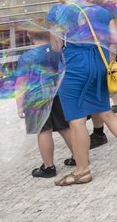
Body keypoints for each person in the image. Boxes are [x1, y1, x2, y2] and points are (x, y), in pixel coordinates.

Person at [46, 0, 117, 186]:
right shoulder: (100, 11)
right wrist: (109, 63)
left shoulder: (58, 11)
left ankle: (82, 171)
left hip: (75, 64)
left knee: (76, 119)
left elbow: (55, 47)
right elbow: (114, 40)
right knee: (106, 111)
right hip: (99, 62)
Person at [14, 23, 73, 178]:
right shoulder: (57, 51)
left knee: (43, 130)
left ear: (29, 35)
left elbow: (21, 83)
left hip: (36, 99)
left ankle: (48, 167)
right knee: (64, 127)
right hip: (57, 94)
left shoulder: (26, 57)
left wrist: (20, 106)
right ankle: (79, 156)